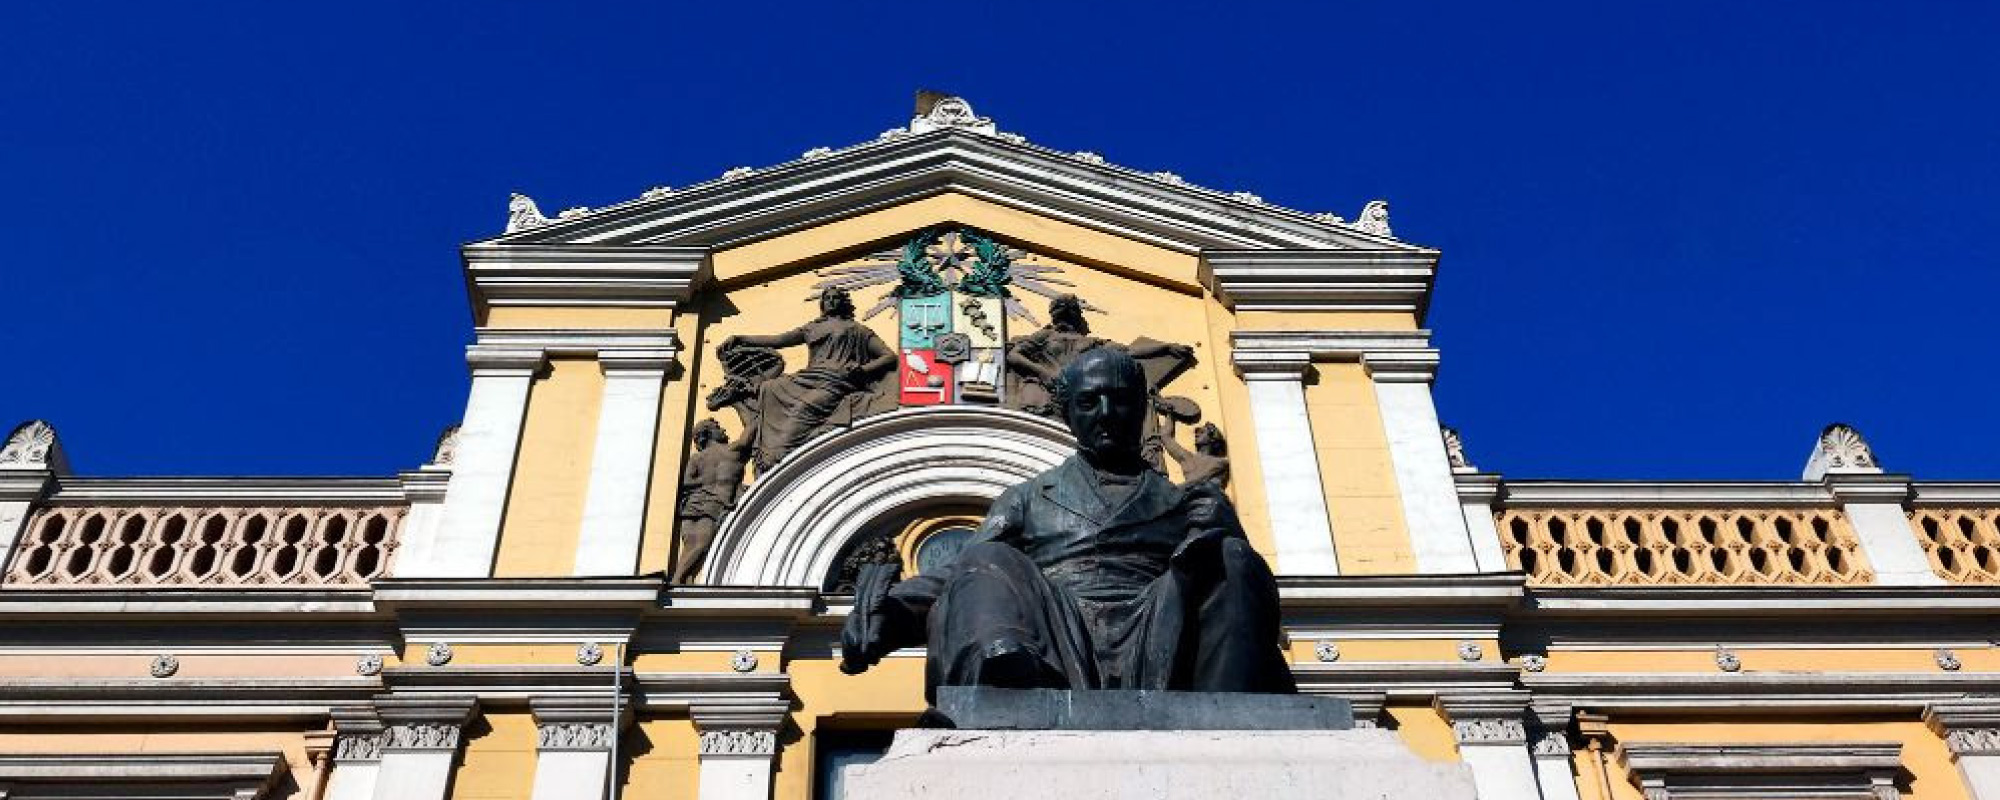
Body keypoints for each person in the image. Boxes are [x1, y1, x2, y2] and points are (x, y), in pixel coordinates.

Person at [840, 348, 1295, 701]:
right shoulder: (1028, 497)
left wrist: (1225, 533)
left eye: (1120, 400)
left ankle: (1228, 715)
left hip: (1161, 629)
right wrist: (892, 613)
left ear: (1142, 410)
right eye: (1089, 402)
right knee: (989, 555)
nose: (1105, 412)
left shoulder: (1186, 500)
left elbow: (1238, 598)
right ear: (1069, 414)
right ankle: (1009, 674)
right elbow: (962, 571)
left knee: (1231, 556)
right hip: (1057, 630)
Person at [720, 287, 897, 471]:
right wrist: (742, 339)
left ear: (843, 303)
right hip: (809, 378)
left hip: (834, 380)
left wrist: (863, 369)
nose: (831, 301)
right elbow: (779, 340)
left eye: (835, 298)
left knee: (803, 409)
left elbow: (889, 356)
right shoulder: (813, 328)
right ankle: (769, 449)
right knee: (771, 387)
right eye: (827, 298)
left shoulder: (857, 329)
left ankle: (779, 455)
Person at [671, 420, 750, 584]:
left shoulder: (701, 457)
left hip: (704, 504)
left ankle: (681, 580)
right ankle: (679, 579)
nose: (723, 430)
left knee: (698, 544)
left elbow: (688, 482)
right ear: (708, 433)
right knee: (697, 543)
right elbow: (686, 482)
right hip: (701, 504)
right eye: (718, 428)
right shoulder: (729, 451)